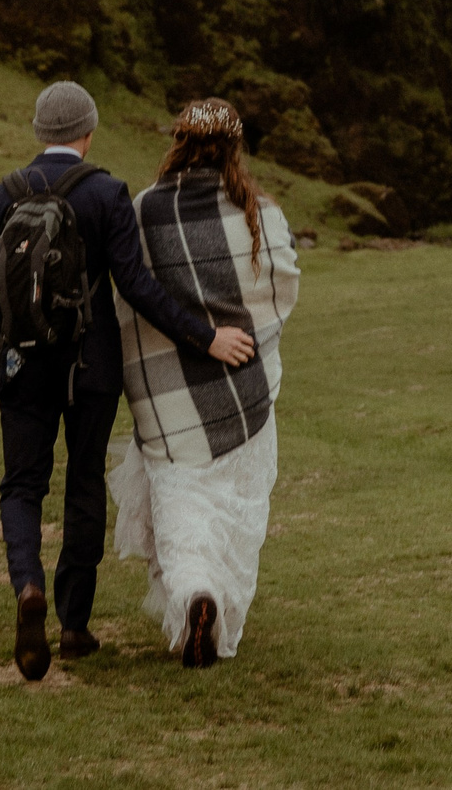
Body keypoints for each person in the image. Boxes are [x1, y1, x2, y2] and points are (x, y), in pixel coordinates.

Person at [0, 80, 257, 682]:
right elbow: (138, 288)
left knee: (21, 486)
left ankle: (27, 588)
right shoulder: (106, 192)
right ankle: (73, 625)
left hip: (19, 368)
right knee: (83, 484)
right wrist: (205, 336)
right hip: (91, 370)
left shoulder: (3, 195)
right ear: (89, 131)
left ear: (40, 131)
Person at [109, 97, 301, 668]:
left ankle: (197, 593)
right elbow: (282, 289)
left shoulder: (144, 211)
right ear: (234, 149)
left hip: (168, 402)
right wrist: (237, 333)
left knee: (180, 508)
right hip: (243, 394)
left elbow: (131, 294)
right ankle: (219, 611)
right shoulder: (260, 214)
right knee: (238, 514)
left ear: (178, 142)